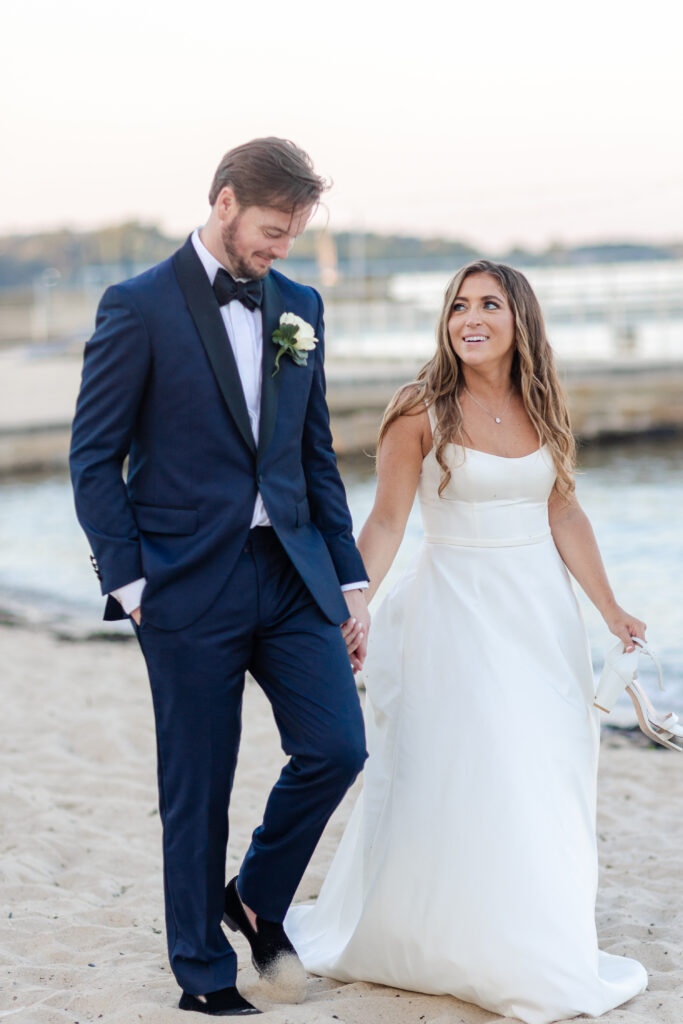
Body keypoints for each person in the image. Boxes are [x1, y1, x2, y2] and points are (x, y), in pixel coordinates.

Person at [286, 261, 649, 1024]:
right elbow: (385, 522)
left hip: (541, 619)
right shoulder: (419, 409)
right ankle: (458, 937)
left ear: (520, 319)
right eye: (458, 305)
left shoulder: (542, 405)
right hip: (453, 613)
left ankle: (530, 934)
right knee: (480, 767)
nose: (469, 317)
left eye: (488, 304)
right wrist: (354, 605)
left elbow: (563, 515)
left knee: (547, 771)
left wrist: (611, 609)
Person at [69, 137, 370, 1017]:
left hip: (290, 573)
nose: (280, 247)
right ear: (227, 202)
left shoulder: (300, 306)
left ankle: (255, 895)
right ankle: (202, 974)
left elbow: (314, 459)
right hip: (182, 585)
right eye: (274, 229)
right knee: (196, 785)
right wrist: (131, 587)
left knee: (336, 747)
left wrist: (348, 579)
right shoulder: (138, 306)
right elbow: (93, 460)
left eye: (294, 232)